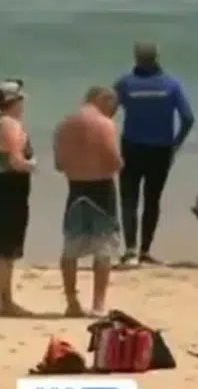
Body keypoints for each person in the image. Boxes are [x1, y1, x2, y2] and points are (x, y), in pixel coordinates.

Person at [114, 42, 194, 266]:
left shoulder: (125, 84)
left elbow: (106, 113)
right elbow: (188, 118)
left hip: (131, 148)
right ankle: (145, 251)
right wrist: (176, 144)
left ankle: (130, 250)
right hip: (161, 150)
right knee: (152, 200)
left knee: (129, 198)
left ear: (136, 58)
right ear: (157, 56)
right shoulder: (171, 84)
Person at [53, 87, 122, 317]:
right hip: (101, 189)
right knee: (103, 249)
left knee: (71, 248)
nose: (112, 113)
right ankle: (98, 304)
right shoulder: (105, 125)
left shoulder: (64, 125)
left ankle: (72, 302)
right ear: (102, 100)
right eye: (112, 107)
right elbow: (113, 162)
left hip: (75, 188)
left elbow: (59, 164)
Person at [0, 80, 36, 316]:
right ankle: (6, 302)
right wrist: (32, 164)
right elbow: (15, 162)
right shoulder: (9, 124)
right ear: (13, 102)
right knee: (6, 249)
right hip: (9, 190)